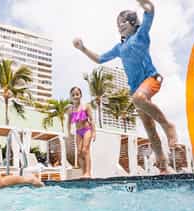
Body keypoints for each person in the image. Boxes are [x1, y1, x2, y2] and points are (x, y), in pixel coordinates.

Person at [73, 0, 177, 173]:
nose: (119, 26)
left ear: (133, 23)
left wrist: (145, 4)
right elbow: (100, 59)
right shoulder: (120, 48)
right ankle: (163, 165)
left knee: (138, 99)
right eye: (117, 24)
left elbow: (150, 12)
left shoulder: (141, 35)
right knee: (149, 128)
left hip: (152, 78)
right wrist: (83, 48)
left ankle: (168, 125)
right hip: (136, 88)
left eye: (123, 22)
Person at [67, 87, 96, 178]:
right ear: (71, 97)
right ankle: (84, 173)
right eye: (73, 95)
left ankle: (88, 172)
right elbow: (68, 122)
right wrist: (68, 133)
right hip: (78, 132)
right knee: (79, 152)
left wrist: (94, 132)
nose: (75, 96)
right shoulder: (70, 109)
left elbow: (92, 119)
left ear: (81, 95)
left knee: (85, 150)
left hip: (87, 130)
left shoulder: (86, 106)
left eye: (77, 94)